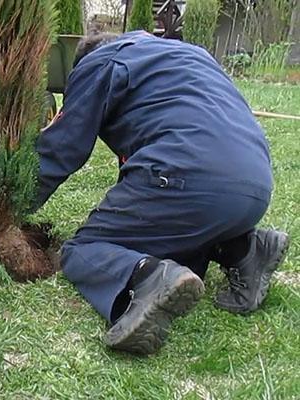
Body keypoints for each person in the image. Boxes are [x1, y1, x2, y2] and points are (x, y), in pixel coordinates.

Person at [35, 31, 290, 354]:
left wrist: (8, 205)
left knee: (84, 247)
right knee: (178, 223)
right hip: (256, 183)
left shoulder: (100, 62)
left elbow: (62, 150)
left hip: (190, 176)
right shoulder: (190, 55)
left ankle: (146, 277)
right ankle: (246, 249)